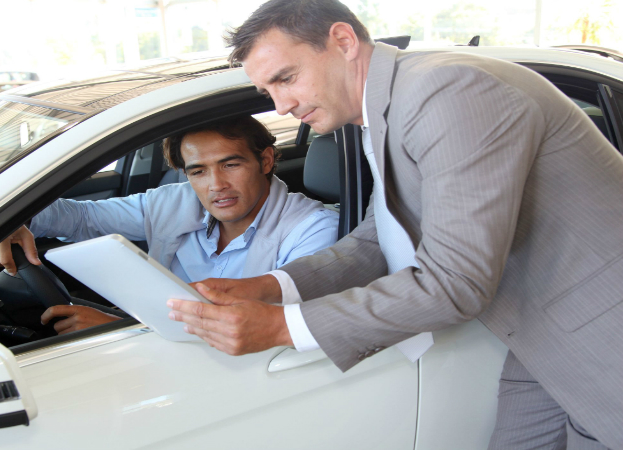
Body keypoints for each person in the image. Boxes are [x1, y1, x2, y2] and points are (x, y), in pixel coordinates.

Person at [165, 1, 623, 448]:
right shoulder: (386, 108)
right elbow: (377, 238)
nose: (282, 106)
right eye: (269, 91)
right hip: (540, 335)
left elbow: (455, 283)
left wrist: (282, 327)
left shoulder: (447, 91)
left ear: (343, 41)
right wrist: (269, 287)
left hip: (603, 336)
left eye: (287, 78)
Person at [0, 115, 338, 335]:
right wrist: (16, 220)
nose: (216, 186)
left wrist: (126, 330)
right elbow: (83, 218)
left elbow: (266, 331)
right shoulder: (172, 201)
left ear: (265, 160)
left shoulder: (313, 230)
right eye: (198, 171)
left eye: (230, 165)